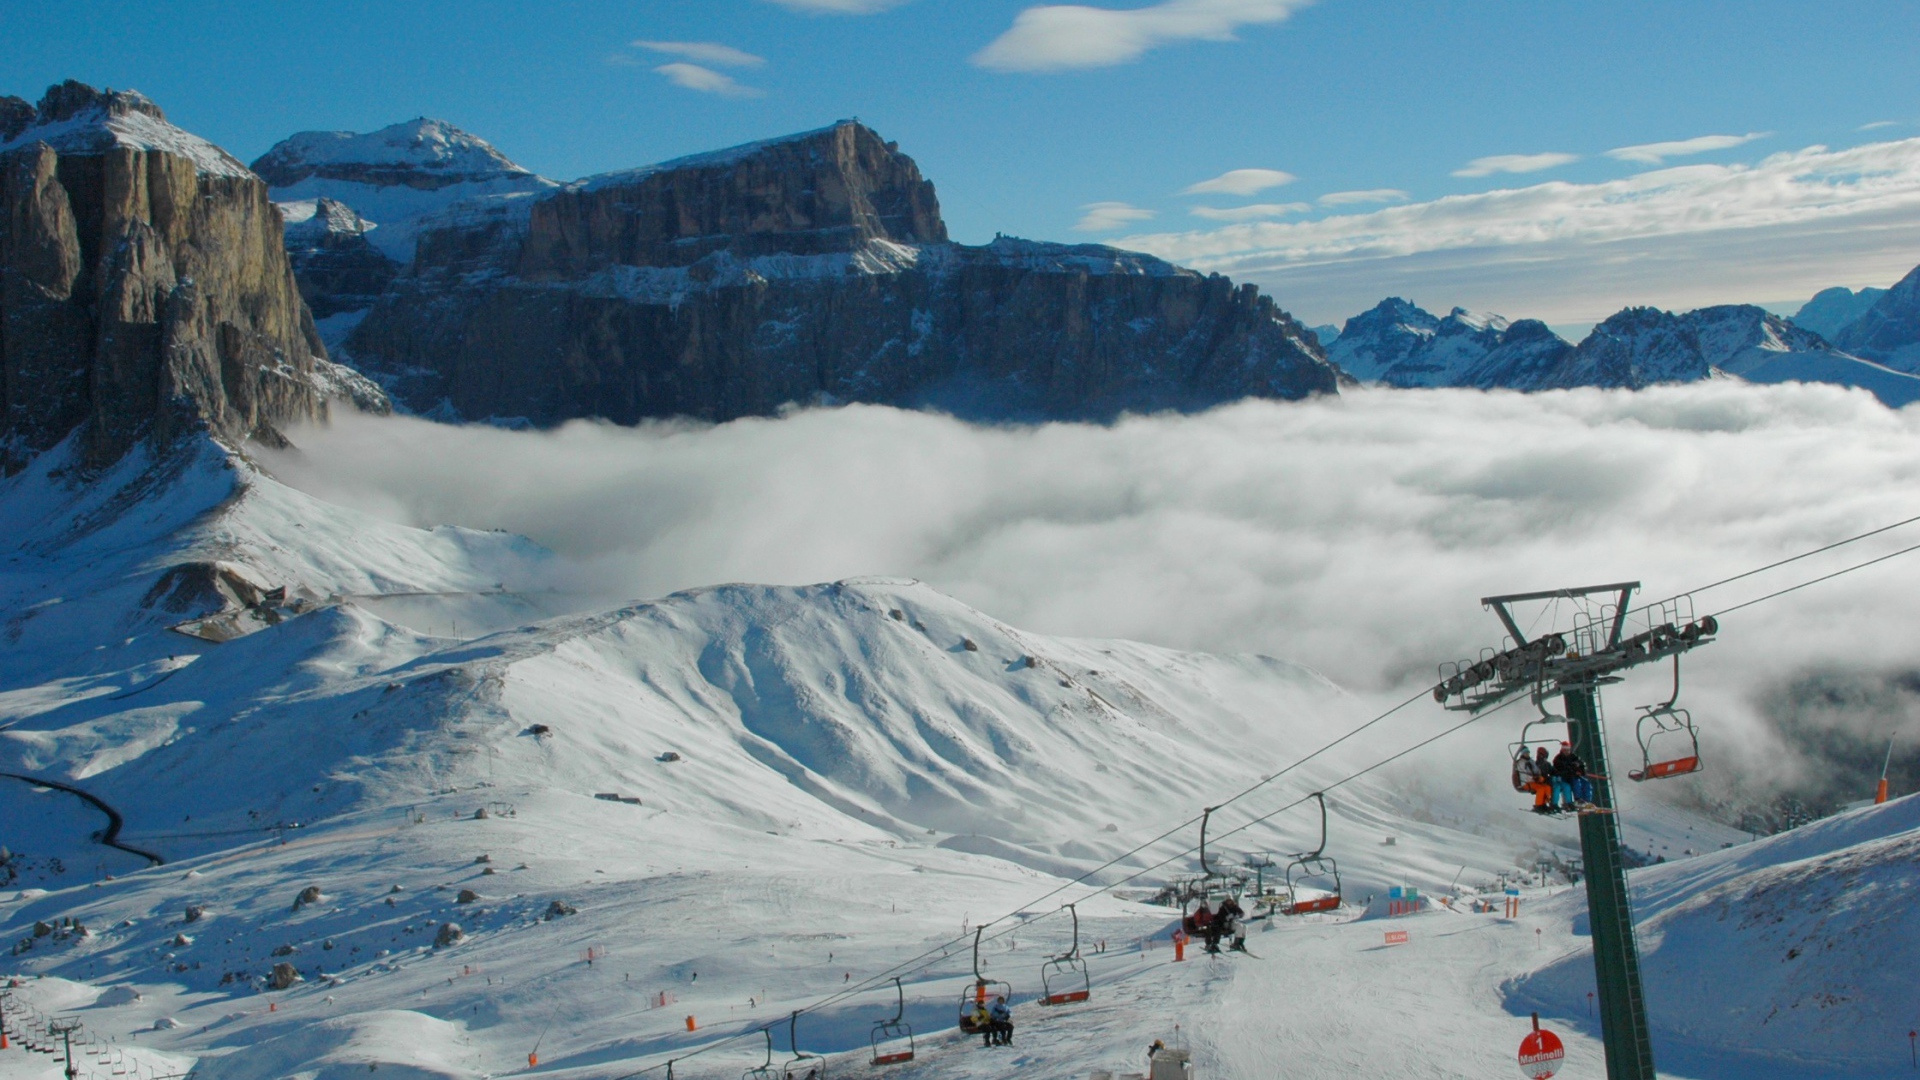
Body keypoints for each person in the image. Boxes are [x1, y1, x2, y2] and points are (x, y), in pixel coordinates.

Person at [1550, 742, 1578, 809]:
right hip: (1559, 778)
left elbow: (1578, 763)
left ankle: (1569, 803)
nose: (1567, 751)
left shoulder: (1573, 757)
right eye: (1565, 749)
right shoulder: (1558, 758)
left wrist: (1578, 768)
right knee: (1557, 787)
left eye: (1568, 749)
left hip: (1567, 778)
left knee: (1567, 786)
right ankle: (1554, 804)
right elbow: (1557, 769)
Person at [1530, 746, 1556, 814]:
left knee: (1548, 788)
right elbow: (1534, 774)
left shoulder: (1547, 764)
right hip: (1538, 781)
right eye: (1539, 754)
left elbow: (1553, 771)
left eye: (1542, 755)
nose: (1540, 756)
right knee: (1544, 789)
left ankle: (1543, 804)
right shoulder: (1536, 764)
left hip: (1545, 781)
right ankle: (1539, 805)